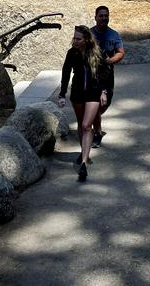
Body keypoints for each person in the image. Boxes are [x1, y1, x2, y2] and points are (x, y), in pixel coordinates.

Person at [58, 26, 108, 182]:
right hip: (77, 92)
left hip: (93, 92)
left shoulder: (97, 52)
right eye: (74, 38)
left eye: (78, 39)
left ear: (86, 40)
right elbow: (66, 73)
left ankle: (84, 163)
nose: (75, 41)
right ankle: (84, 153)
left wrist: (104, 91)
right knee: (81, 124)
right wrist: (62, 94)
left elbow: (105, 72)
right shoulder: (72, 53)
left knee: (87, 125)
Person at [89, 6, 126, 148]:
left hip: (107, 76)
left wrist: (111, 60)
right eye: (101, 16)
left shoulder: (114, 35)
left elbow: (120, 52)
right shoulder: (90, 34)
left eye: (106, 15)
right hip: (92, 76)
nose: (104, 18)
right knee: (95, 104)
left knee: (105, 103)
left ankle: (95, 120)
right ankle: (97, 133)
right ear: (95, 17)